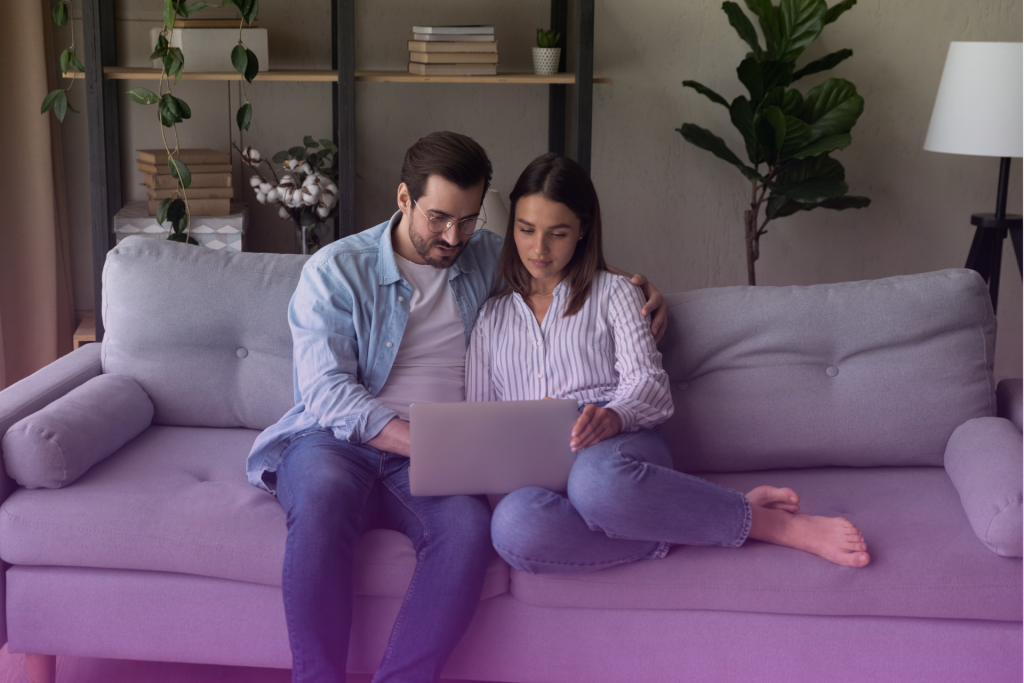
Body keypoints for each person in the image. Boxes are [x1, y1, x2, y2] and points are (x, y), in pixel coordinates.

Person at [245, 132, 669, 683]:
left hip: (446, 452)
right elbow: (327, 392)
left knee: (468, 530)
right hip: (338, 441)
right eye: (439, 218)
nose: (453, 236)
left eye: (468, 220)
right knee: (322, 497)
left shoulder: (487, 254)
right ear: (404, 199)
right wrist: (414, 438)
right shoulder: (335, 270)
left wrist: (648, 295)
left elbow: (564, 262)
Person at [468, 153, 871, 575]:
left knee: (596, 484)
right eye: (526, 229)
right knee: (513, 525)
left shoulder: (615, 293)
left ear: (584, 230)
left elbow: (649, 385)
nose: (539, 248)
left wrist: (612, 416)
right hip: (538, 473)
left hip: (615, 452)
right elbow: (478, 420)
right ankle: (691, 523)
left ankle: (768, 525)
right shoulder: (491, 318)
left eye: (558, 233)